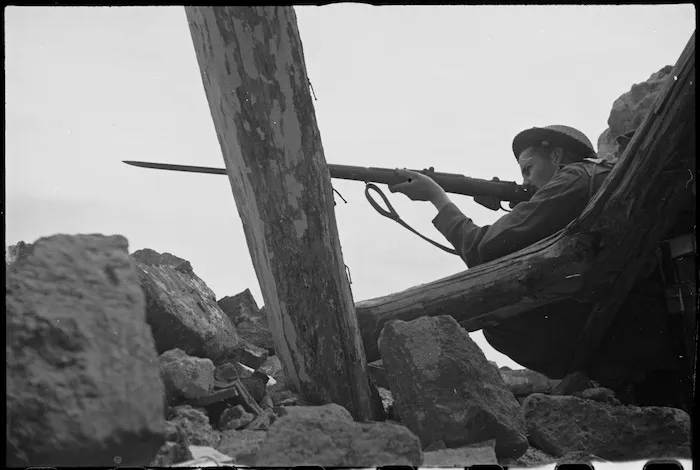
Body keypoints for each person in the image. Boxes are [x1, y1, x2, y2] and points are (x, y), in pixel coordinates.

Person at [388, 125, 692, 409]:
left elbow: (484, 249)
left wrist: (437, 198)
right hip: (655, 327)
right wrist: (522, 209)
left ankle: (608, 376)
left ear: (557, 156)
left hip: (629, 329)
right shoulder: (603, 178)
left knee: (498, 319)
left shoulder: (575, 177)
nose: (525, 182)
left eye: (528, 169)